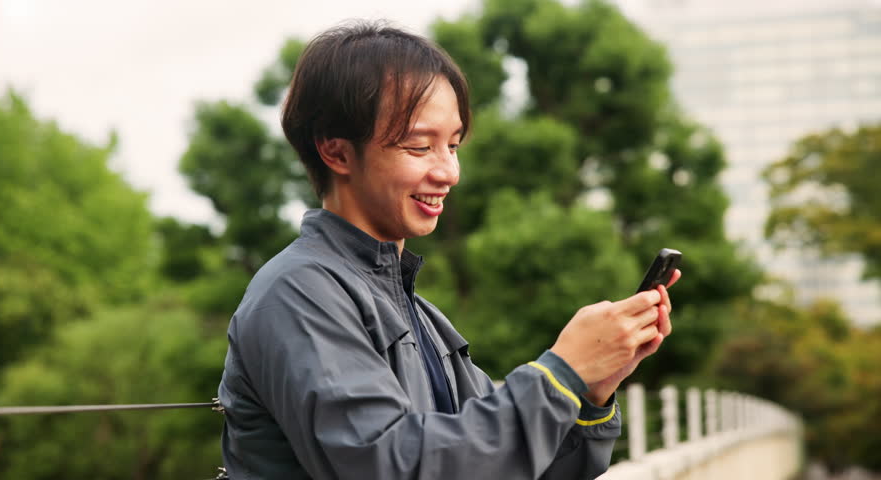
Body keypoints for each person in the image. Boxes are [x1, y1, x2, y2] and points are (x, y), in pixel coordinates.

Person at [216, 20, 680, 480]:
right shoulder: (297, 294)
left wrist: (590, 389)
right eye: (420, 147)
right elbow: (390, 466)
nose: (449, 172)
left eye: (453, 145)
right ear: (336, 153)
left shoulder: (421, 315)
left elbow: (502, 465)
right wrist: (560, 373)